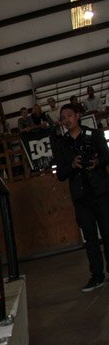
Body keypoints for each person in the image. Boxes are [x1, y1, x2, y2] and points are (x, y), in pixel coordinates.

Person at [51, 104, 109, 294]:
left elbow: (107, 156)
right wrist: (72, 165)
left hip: (101, 193)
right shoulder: (61, 144)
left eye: (69, 115)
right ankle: (97, 276)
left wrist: (97, 163)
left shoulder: (94, 134)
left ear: (78, 116)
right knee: (90, 240)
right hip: (81, 199)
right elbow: (60, 173)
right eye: (63, 117)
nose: (66, 120)